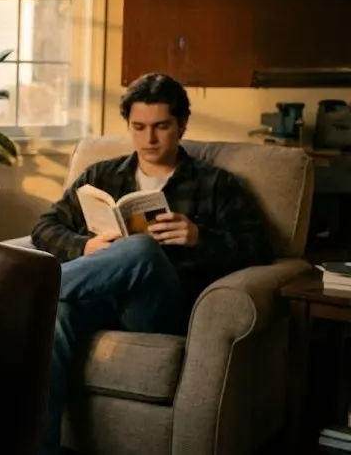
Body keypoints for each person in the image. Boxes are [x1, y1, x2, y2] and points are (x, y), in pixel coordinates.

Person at [30, 72, 275, 455]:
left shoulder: (215, 184)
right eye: (139, 127)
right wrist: (86, 246)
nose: (149, 139)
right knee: (57, 312)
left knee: (142, 250)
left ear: (182, 125)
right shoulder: (104, 174)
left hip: (161, 308)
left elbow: (260, 249)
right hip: (100, 298)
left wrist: (200, 238)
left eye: (161, 126)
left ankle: (22, 293)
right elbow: (44, 227)